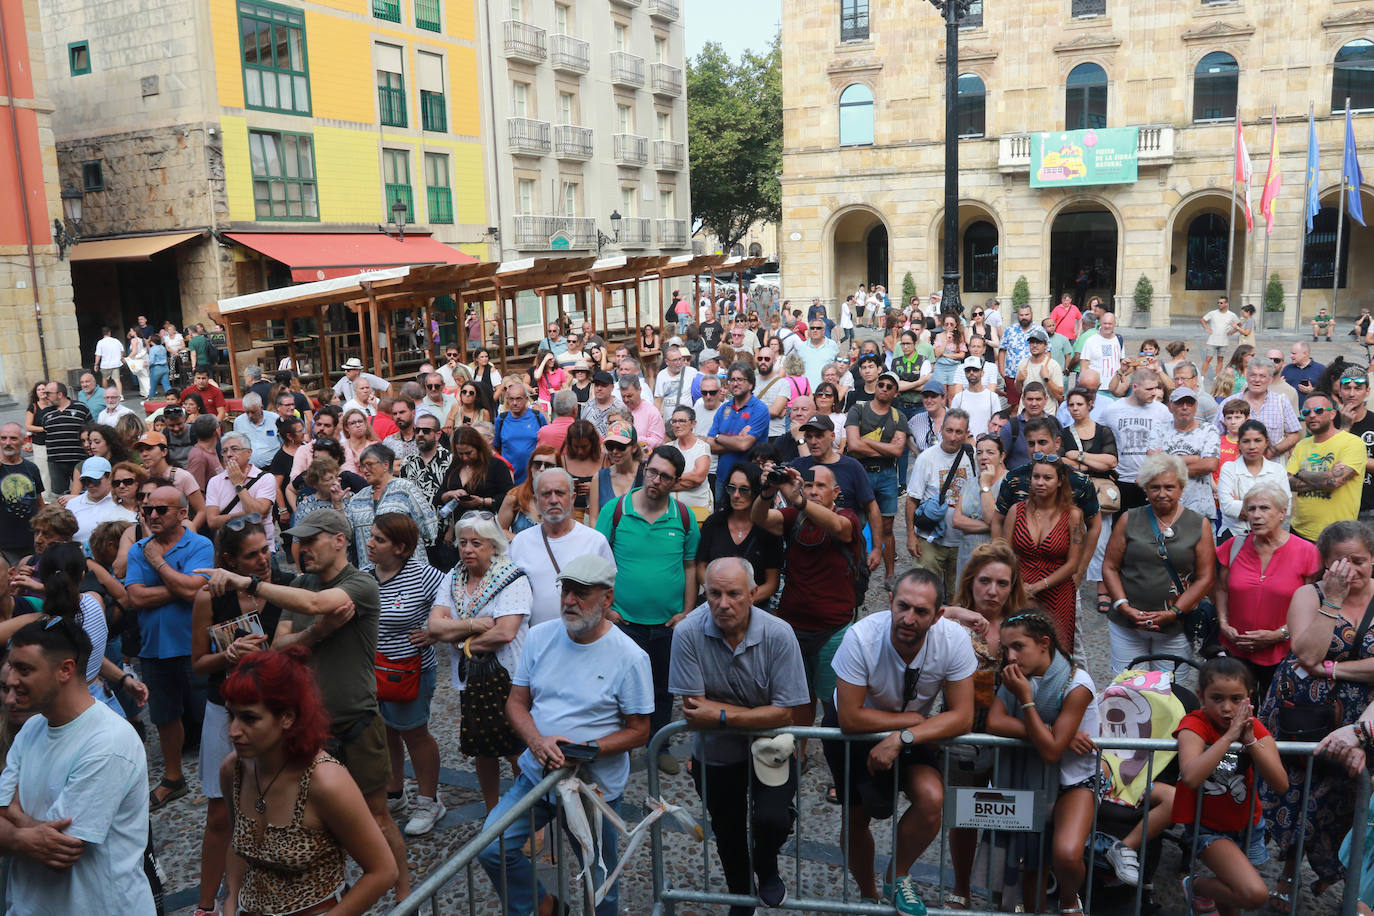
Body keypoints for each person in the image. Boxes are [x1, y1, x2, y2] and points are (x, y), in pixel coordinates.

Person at [203, 506, 411, 900]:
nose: (301, 548)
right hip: (310, 728)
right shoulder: (300, 582)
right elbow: (280, 644)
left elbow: (317, 605)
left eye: (311, 540)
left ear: (339, 541)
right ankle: (333, 889)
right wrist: (318, 632)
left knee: (378, 816)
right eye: (298, 541)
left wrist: (247, 583)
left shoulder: (361, 585)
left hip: (355, 721)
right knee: (315, 821)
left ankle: (405, 898)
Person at [476, 554, 652, 916]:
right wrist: (537, 742)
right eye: (566, 590)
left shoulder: (630, 656)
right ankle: (544, 907)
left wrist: (589, 749)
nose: (569, 600)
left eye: (581, 593)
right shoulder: (540, 636)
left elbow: (640, 731)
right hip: (536, 777)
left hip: (593, 790)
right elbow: (516, 704)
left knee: (600, 882)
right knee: (491, 847)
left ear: (606, 599)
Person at [825, 568, 976, 913]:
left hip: (915, 729)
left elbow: (963, 716)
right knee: (857, 816)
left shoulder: (953, 640)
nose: (908, 618)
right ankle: (867, 894)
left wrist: (904, 736)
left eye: (921, 611)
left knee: (932, 798)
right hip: (859, 728)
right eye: (902, 606)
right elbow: (850, 716)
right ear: (890, 602)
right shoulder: (861, 636)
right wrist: (910, 721)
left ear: (938, 615)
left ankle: (898, 877)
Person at [668, 557, 811, 916]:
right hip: (716, 752)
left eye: (733, 594)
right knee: (727, 830)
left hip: (770, 747)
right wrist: (752, 716)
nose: (723, 603)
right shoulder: (688, 632)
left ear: (753, 594)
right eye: (714, 593)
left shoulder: (778, 634)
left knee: (773, 819)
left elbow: (784, 712)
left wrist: (719, 714)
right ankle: (740, 896)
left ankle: (767, 866)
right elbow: (692, 709)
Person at [219, 647, 396, 915]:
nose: (233, 731)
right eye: (231, 715)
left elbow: (383, 871)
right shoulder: (233, 770)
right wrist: (232, 900)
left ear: (287, 717)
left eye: (249, 718)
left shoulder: (325, 782)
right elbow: (237, 843)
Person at [0, 616, 155, 912]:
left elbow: (59, 852)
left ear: (65, 670)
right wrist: (25, 835)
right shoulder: (32, 729)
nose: (10, 680)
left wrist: (13, 816)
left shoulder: (109, 742)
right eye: (11, 667)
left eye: (24, 669)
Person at [1259, 520, 1374, 902]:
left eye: (1359, 561)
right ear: (1325, 563)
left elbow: (1321, 662)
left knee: (1346, 798)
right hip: (1301, 716)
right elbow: (1307, 654)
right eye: (1340, 562)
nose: (1350, 570)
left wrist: (1335, 669)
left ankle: (1349, 882)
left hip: (1360, 718)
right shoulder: (1308, 595)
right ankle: (1288, 874)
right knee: (1299, 795)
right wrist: (1334, 600)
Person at [188, 516, 284, 916]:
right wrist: (227, 655)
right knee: (219, 812)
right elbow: (198, 664)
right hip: (224, 710)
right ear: (228, 560)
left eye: (265, 550)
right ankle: (207, 904)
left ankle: (265, 895)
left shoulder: (284, 587)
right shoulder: (209, 598)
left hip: (275, 710)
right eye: (252, 555)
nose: (263, 560)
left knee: (275, 807)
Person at [986, 611, 1101, 915]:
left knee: (1065, 854)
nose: (1010, 656)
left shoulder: (1077, 683)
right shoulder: (1016, 677)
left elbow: (1051, 753)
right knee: (1030, 862)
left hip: (1073, 781)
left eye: (1018, 647)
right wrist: (1050, 732)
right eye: (1005, 649)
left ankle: (1069, 899)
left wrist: (1026, 702)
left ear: (1043, 644)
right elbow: (995, 722)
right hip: (1029, 777)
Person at [595, 446, 699, 774]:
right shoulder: (615, 510)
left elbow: (691, 565)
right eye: (652, 472)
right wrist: (604, 610)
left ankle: (660, 744)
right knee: (619, 687)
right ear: (644, 469)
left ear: (676, 482)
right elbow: (597, 563)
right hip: (623, 621)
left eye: (665, 476)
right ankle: (621, 745)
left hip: (667, 624)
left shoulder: (684, 517)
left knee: (663, 687)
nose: (656, 480)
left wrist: (687, 611)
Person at [939, 541, 1027, 909]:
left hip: (1010, 733)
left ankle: (1008, 889)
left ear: (1013, 587)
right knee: (964, 815)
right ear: (971, 581)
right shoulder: (950, 622)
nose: (993, 591)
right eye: (985, 581)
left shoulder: (1024, 624)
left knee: (1014, 812)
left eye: (1003, 583)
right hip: (963, 733)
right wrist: (956, 612)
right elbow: (908, 618)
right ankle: (961, 885)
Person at [123, 485, 216, 808]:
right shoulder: (139, 549)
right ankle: (174, 778)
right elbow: (135, 597)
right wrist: (180, 584)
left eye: (161, 510)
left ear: (182, 513)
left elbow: (196, 591)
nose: (152, 515)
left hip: (195, 644)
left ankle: (229, 775)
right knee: (164, 716)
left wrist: (159, 565)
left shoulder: (199, 544)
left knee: (213, 711)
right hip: (153, 647)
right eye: (148, 509)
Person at [1173, 657, 1288, 916]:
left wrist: (1249, 741)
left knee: (1233, 896)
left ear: (1248, 697)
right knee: (1253, 894)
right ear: (1201, 696)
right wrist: (1228, 737)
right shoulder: (1195, 724)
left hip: (1247, 826)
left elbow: (1280, 784)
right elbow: (1191, 777)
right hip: (1208, 828)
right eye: (1217, 699)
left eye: (1236, 699)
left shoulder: (1253, 726)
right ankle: (1196, 886)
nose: (1227, 708)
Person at [362, 514, 447, 836]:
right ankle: (394, 793)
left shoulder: (424, 576)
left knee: (414, 732)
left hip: (411, 671)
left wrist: (435, 632)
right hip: (373, 670)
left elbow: (457, 604)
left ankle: (429, 801)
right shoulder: (364, 576)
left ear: (401, 547)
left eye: (378, 539)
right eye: (370, 536)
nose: (369, 543)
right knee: (385, 731)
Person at [1101, 453, 1216, 674]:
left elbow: (1205, 577)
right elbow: (1110, 566)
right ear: (1145, 488)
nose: (1161, 493)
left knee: (1171, 693)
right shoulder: (1128, 519)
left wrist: (1174, 612)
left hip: (1175, 626)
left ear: (1181, 488)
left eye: (1169, 487)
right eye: (1154, 487)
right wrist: (1124, 606)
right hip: (1127, 624)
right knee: (1129, 689)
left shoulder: (1198, 524)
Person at [1215, 483, 1317, 702]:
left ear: (1282, 513)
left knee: (1278, 716)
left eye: (1264, 508)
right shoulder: (1234, 546)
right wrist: (1223, 623)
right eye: (1251, 509)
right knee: (1236, 714)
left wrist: (1280, 634)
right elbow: (1222, 589)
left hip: (1284, 652)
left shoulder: (1307, 552)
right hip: (1236, 651)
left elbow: (1314, 607)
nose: (1256, 515)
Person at [509, 467, 615, 627]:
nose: (553, 500)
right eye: (546, 494)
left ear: (572, 498)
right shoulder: (520, 542)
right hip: (535, 642)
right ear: (536, 502)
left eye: (560, 493)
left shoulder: (595, 541)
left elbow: (608, 592)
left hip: (582, 641)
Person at [1007, 454, 1085, 653]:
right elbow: (1005, 555)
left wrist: (1038, 587)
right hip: (1021, 590)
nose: (1040, 482)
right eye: (1036, 477)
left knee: (1056, 651)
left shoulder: (1073, 515)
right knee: (1019, 648)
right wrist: (1019, 586)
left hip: (1057, 591)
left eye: (1047, 478)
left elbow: (1073, 564)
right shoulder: (1016, 510)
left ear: (1060, 482)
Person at [846, 369, 907, 584]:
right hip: (860, 472)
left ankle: (890, 574)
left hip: (887, 474)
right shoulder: (858, 409)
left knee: (888, 525)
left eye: (890, 387)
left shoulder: (899, 416)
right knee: (853, 523)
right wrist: (884, 448)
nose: (884, 388)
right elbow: (853, 445)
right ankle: (853, 569)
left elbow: (898, 451)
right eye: (881, 384)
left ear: (895, 393)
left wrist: (868, 442)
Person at [694, 462, 783, 608]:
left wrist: (739, 602)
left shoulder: (769, 528)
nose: (736, 495)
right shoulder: (714, 523)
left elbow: (772, 583)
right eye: (731, 488)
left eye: (744, 490)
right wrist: (716, 595)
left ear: (756, 491)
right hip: (716, 607)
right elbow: (700, 566)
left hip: (755, 609)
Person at [906, 408, 973, 596]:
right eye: (949, 430)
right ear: (941, 430)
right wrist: (911, 536)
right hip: (931, 540)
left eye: (959, 432)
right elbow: (912, 499)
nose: (953, 437)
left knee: (959, 597)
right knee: (925, 594)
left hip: (963, 541)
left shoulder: (973, 455)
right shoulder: (926, 458)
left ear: (967, 434)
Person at [1287, 393, 1366, 541]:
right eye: (1306, 412)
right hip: (1299, 532)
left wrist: (1302, 473)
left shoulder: (1352, 443)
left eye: (1318, 410)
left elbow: (1334, 482)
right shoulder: (1302, 445)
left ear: (1332, 414)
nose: (1311, 415)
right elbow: (1288, 482)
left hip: (1338, 535)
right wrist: (1327, 478)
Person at [349, 443, 439, 567]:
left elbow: (430, 529)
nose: (364, 470)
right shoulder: (357, 499)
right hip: (370, 576)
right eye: (362, 466)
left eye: (369, 464)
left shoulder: (405, 489)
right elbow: (348, 538)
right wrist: (338, 504)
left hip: (408, 573)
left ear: (385, 465)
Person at [1103, 368, 1173, 509]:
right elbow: (1101, 438)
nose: (1154, 393)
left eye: (1156, 388)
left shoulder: (1162, 411)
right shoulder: (1112, 410)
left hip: (1152, 480)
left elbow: (1171, 441)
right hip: (1121, 479)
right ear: (1135, 387)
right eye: (1149, 389)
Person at [708, 362, 771, 503]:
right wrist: (737, 441)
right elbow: (710, 445)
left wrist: (719, 437)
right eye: (732, 380)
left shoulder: (759, 409)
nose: (735, 384)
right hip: (723, 479)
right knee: (722, 522)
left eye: (740, 379)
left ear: (750, 384)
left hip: (750, 480)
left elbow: (744, 445)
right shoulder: (724, 409)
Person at [1154, 387, 1221, 519]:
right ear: (1170, 407)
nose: (1185, 407)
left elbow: (1210, 465)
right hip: (1166, 511)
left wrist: (1167, 463)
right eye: (1180, 403)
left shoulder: (1209, 430)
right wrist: (1195, 459)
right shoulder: (1159, 430)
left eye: (1190, 403)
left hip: (1201, 512)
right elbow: (1153, 463)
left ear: (1196, 406)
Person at [1217, 357, 1302, 460]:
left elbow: (1294, 435)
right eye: (1253, 375)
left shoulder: (1281, 402)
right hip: (1235, 469)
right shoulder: (1228, 403)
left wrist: (1273, 451)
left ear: (1270, 379)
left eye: (1262, 376)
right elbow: (1216, 436)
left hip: (1272, 468)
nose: (1257, 380)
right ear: (1247, 376)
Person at [1218, 419, 1291, 538]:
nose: (1252, 446)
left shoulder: (1277, 470)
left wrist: (1241, 506)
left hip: (1270, 537)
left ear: (1266, 442)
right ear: (1239, 444)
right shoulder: (1229, 468)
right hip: (1234, 536)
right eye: (1246, 441)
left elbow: (1286, 508)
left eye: (1257, 441)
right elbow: (1227, 507)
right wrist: (1270, 508)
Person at [205, 432, 279, 548]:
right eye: (224, 451)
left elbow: (259, 514)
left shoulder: (266, 478)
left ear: (248, 453)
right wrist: (248, 515)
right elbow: (212, 522)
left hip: (260, 549)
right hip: (228, 551)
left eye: (234, 449)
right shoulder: (215, 481)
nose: (229, 454)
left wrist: (239, 484)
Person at [0, 422, 43, 565]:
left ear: (24, 441)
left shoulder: (31, 468)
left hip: (31, 541)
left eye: (13, 438)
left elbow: (39, 503)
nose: (7, 443)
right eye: (3, 438)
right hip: (4, 544)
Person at [41, 381, 91, 498]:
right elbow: (46, 433)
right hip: (56, 461)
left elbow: (91, 430)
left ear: (60, 394)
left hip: (79, 460)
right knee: (59, 495)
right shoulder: (45, 413)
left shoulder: (81, 408)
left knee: (84, 493)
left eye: (48, 393)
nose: (45, 396)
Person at [494, 382, 546, 484]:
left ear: (526, 399)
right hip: (509, 479)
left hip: (534, 479)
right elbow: (496, 447)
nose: (514, 403)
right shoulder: (501, 419)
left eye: (518, 399)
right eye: (511, 399)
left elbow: (547, 446)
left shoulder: (538, 417)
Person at [1200, 296, 1239, 380]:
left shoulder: (1231, 315)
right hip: (1212, 340)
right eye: (1218, 302)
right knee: (1208, 358)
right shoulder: (1213, 313)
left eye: (1221, 303)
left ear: (1226, 304)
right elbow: (1203, 320)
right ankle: (1202, 376)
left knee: (1220, 359)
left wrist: (1233, 331)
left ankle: (1217, 376)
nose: (1219, 304)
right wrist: (1207, 328)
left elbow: (1238, 323)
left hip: (1224, 341)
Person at [1282, 341, 1327, 410]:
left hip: (1310, 413)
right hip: (1288, 413)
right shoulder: (1287, 368)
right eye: (1291, 353)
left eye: (1294, 353)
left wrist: (1313, 391)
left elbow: (1328, 392)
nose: (1291, 356)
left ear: (1305, 353)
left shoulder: (1321, 369)